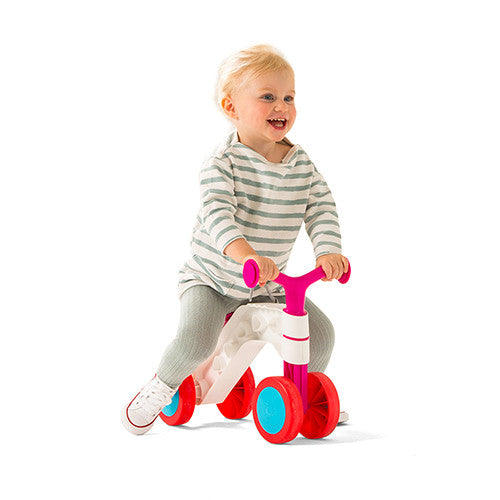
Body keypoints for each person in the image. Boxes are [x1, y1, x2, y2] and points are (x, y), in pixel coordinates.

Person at [121, 44, 350, 435]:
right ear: (232, 108)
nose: (281, 107)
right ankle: (162, 385)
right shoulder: (222, 162)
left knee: (321, 333)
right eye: (268, 97)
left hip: (267, 284)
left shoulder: (301, 164)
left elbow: (321, 207)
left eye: (289, 97)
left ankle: (304, 397)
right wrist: (246, 255)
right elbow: (217, 215)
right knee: (196, 343)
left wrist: (329, 250)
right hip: (212, 279)